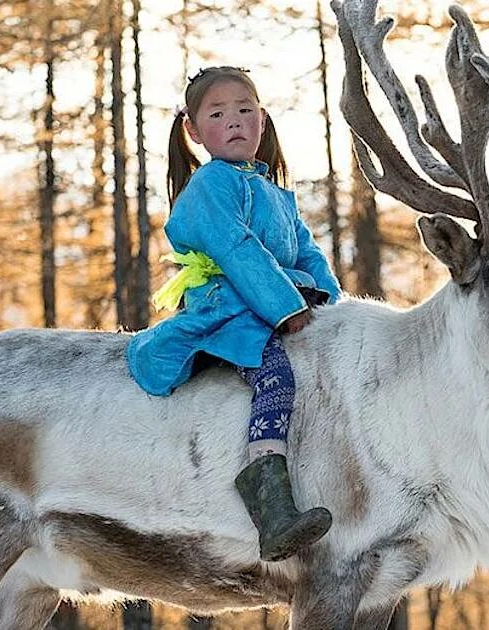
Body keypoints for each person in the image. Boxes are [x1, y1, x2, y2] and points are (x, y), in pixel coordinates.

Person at [126, 66, 341, 562]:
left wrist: (333, 307)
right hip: (233, 310)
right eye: (219, 114)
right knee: (276, 378)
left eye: (245, 110)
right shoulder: (209, 186)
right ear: (195, 132)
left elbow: (307, 255)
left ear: (262, 120)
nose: (236, 122)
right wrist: (287, 309)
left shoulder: (273, 191)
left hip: (271, 302)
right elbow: (236, 248)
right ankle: (272, 508)